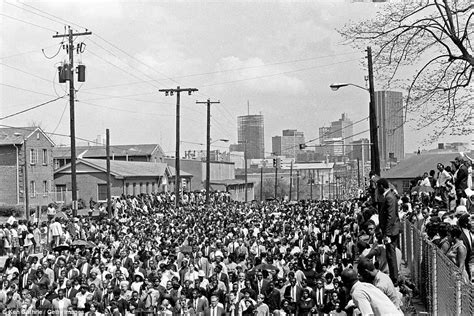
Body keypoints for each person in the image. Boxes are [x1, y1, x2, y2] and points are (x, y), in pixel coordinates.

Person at [376, 178, 401, 283]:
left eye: (378, 187)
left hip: (391, 231)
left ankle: (394, 277)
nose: (377, 189)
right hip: (391, 230)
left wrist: (386, 233)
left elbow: (390, 217)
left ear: (382, 186)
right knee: (390, 254)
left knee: (391, 255)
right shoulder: (389, 196)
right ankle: (393, 275)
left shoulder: (389, 197)